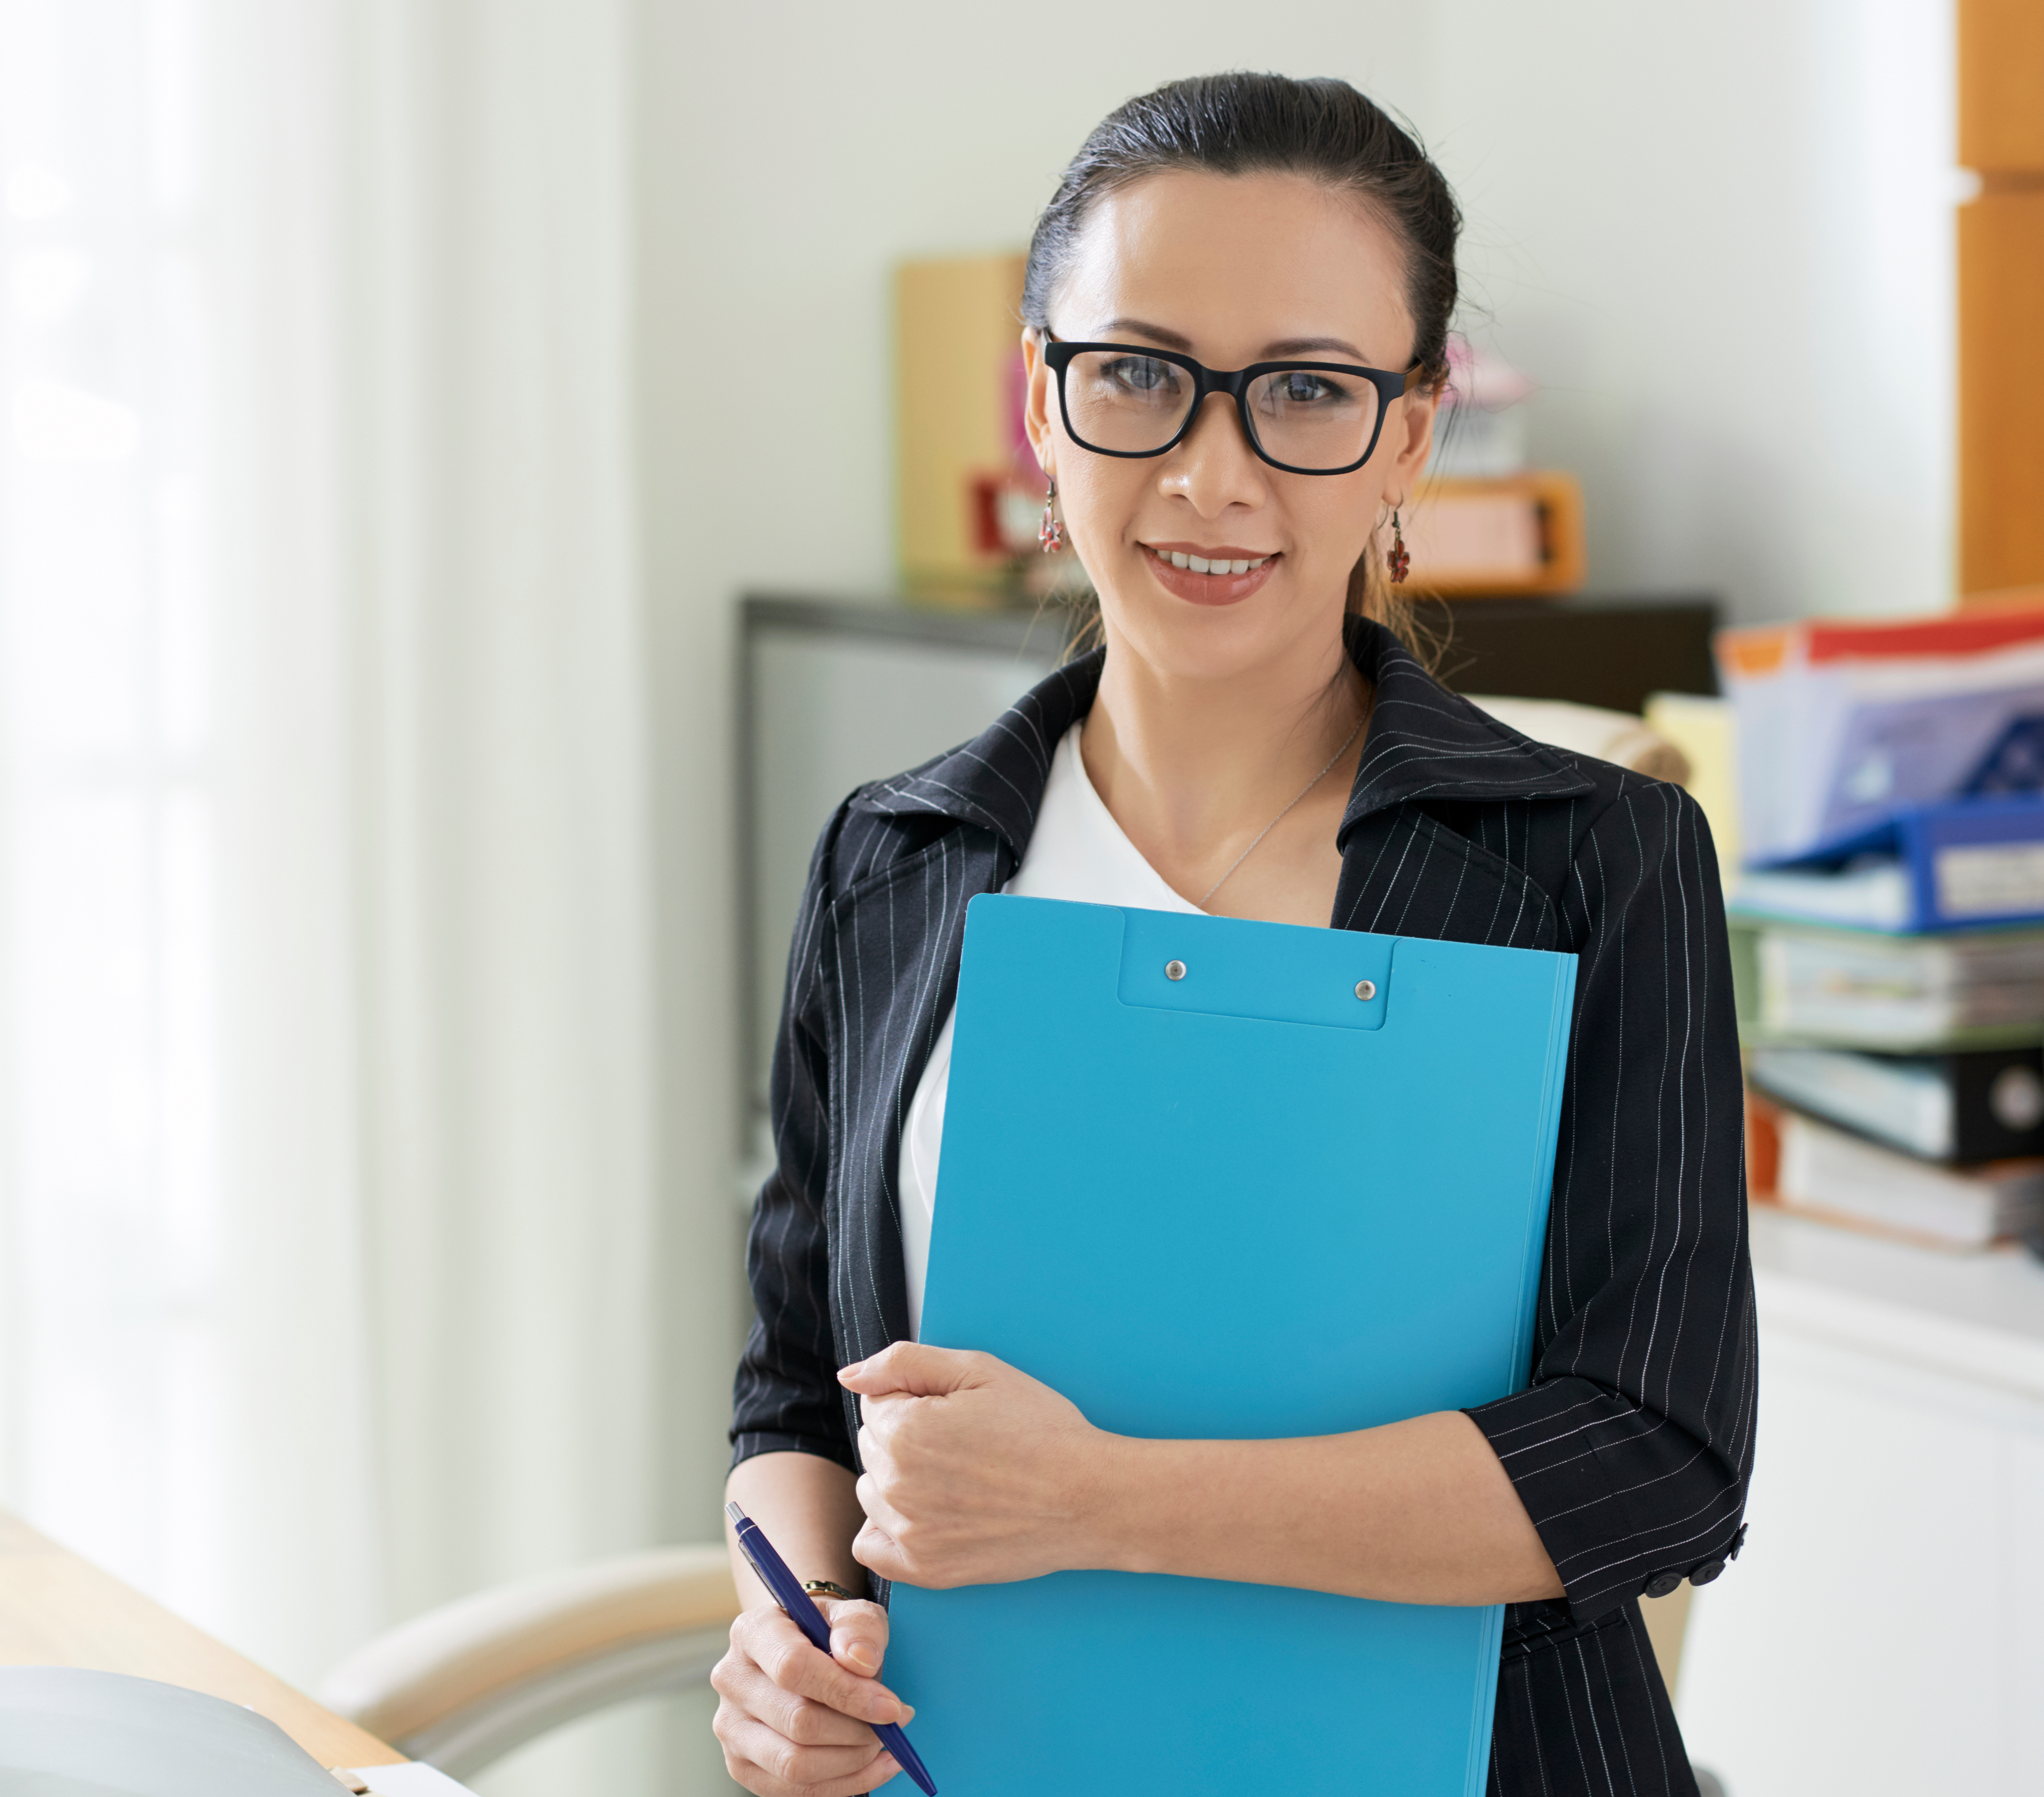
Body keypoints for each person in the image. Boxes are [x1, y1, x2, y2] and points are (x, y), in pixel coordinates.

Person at [716, 71, 1753, 1797]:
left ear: (1409, 433)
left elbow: (1655, 1456)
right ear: (1040, 405)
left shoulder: (1600, 859)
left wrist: (1098, 1499)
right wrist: (794, 1631)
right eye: (1136, 374)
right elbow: (795, 1397)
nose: (1212, 472)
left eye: (1305, 392)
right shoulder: (895, 856)